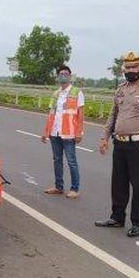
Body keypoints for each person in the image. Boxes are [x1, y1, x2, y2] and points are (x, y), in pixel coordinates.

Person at [95, 51, 139, 237]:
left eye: (134, 67)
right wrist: (105, 137)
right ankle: (117, 217)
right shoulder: (121, 89)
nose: (130, 70)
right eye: (127, 67)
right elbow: (113, 115)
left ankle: (137, 223)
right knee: (118, 183)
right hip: (120, 143)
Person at [41, 65, 85, 198]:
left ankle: (75, 188)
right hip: (55, 133)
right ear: (58, 77)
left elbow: (81, 115)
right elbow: (51, 114)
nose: (63, 76)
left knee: (71, 161)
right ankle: (58, 187)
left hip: (69, 133)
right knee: (57, 160)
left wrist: (79, 132)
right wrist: (46, 132)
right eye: (61, 74)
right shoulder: (55, 94)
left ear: (70, 76)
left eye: (66, 73)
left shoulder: (77, 92)